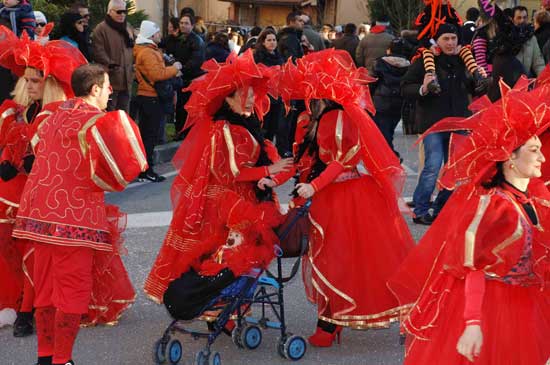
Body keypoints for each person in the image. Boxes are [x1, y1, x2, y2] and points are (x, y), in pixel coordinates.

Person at [390, 79, 550, 365]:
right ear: (509, 159)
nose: (542, 157)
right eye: (533, 150)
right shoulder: (496, 206)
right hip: (496, 309)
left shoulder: (528, 201)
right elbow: (473, 268)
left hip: (526, 304)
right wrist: (473, 323)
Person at [12, 63, 147, 365]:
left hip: (37, 217)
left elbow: (32, 151)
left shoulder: (51, 114)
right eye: (108, 85)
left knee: (45, 290)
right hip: (75, 221)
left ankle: (45, 358)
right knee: (72, 294)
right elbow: (122, 172)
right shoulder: (99, 122)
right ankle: (63, 360)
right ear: (95, 89)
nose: (111, 91)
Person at [280, 49, 414, 346]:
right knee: (326, 259)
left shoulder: (339, 116)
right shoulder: (312, 116)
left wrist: (313, 187)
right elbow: (304, 161)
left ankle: (334, 323)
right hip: (326, 196)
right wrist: (272, 176)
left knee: (351, 260)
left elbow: (343, 160)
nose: (306, 95)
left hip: (346, 198)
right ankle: (329, 321)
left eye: (311, 89)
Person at [144, 51, 294, 303]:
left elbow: (268, 159)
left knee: (238, 255)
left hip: (240, 199)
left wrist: (275, 171)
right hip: (225, 204)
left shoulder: (245, 125)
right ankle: (213, 304)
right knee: (223, 254)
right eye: (243, 94)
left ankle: (228, 304)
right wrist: (269, 171)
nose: (249, 100)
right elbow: (231, 172)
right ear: (229, 98)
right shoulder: (226, 128)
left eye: (251, 94)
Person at [0, 25, 87, 338]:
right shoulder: (21, 111)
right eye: (26, 79)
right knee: (10, 243)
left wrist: (38, 162)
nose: (28, 84)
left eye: (35, 80)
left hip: (46, 196)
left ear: (49, 83)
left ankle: (28, 311)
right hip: (22, 190)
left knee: (34, 251)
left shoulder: (56, 113)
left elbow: (68, 157)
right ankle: (15, 302)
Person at [402, 24, 484, 225]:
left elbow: (475, 90)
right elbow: (405, 87)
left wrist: (480, 79)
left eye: (453, 39)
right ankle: (421, 210)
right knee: (432, 165)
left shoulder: (465, 60)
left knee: (455, 169)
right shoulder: (425, 60)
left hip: (459, 121)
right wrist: (423, 88)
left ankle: (440, 208)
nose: (450, 43)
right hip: (434, 122)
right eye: (446, 39)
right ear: (437, 40)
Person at [134, 20, 182, 183]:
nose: (160, 35)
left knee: (148, 135)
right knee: (149, 136)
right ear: (151, 35)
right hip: (151, 97)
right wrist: (175, 68)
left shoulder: (147, 50)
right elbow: (157, 74)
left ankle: (144, 169)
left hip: (149, 96)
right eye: (158, 33)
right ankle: (146, 169)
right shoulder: (147, 52)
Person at [92, 0, 135, 112]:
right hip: (110, 81)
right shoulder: (101, 29)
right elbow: (98, 51)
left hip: (127, 80)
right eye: (119, 12)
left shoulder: (127, 27)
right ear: (110, 12)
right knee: (109, 114)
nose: (122, 15)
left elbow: (133, 48)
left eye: (124, 12)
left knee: (124, 116)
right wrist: (111, 65)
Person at [372, 38, 410, 158]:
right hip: (400, 102)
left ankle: (392, 157)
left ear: (389, 50)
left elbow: (372, 82)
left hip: (382, 102)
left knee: (383, 132)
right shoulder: (409, 65)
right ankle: (390, 156)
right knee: (389, 131)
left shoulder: (380, 63)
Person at [253, 29, 288, 155]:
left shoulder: (279, 57)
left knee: (273, 128)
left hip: (277, 99)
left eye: (274, 40)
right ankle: (259, 153)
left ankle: (269, 153)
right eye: (269, 40)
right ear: (263, 42)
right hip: (263, 98)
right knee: (263, 127)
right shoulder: (258, 57)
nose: (272, 43)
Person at [172, 13, 205, 139]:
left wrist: (183, 69)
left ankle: (187, 132)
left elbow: (196, 61)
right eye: (181, 23)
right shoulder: (180, 38)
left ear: (192, 25)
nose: (183, 26)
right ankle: (180, 131)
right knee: (180, 106)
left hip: (192, 79)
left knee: (188, 107)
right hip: (182, 78)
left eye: (186, 23)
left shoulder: (197, 41)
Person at [512, 5, 545, 77]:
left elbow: (538, 63)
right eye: (519, 18)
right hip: (510, 82)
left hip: (525, 82)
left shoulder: (532, 38)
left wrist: (544, 79)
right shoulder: (508, 38)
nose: (522, 20)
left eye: (524, 17)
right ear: (513, 19)